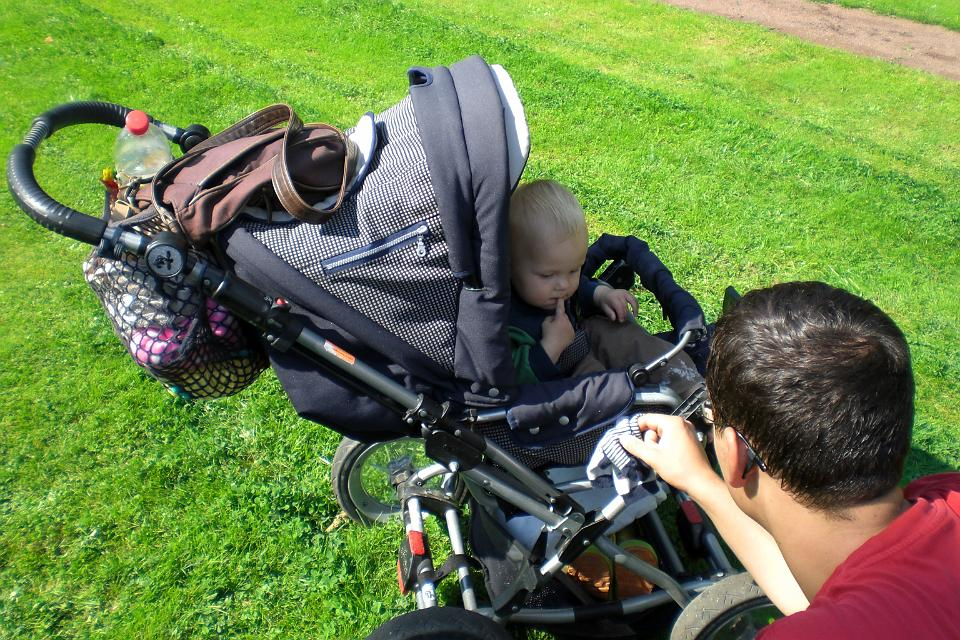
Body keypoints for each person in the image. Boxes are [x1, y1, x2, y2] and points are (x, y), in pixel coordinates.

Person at [620, 281, 960, 638]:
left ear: (736, 454)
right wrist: (699, 481)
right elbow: (822, 599)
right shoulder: (947, 493)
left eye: (710, 414)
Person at [507, 179, 699, 389]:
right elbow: (506, 380)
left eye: (574, 270)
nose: (564, 284)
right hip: (561, 379)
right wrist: (550, 346)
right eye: (547, 275)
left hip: (585, 338)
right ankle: (647, 403)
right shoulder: (504, 315)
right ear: (509, 265)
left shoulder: (556, 287)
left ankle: (691, 386)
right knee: (604, 387)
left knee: (627, 338)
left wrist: (600, 295)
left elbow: (580, 289)